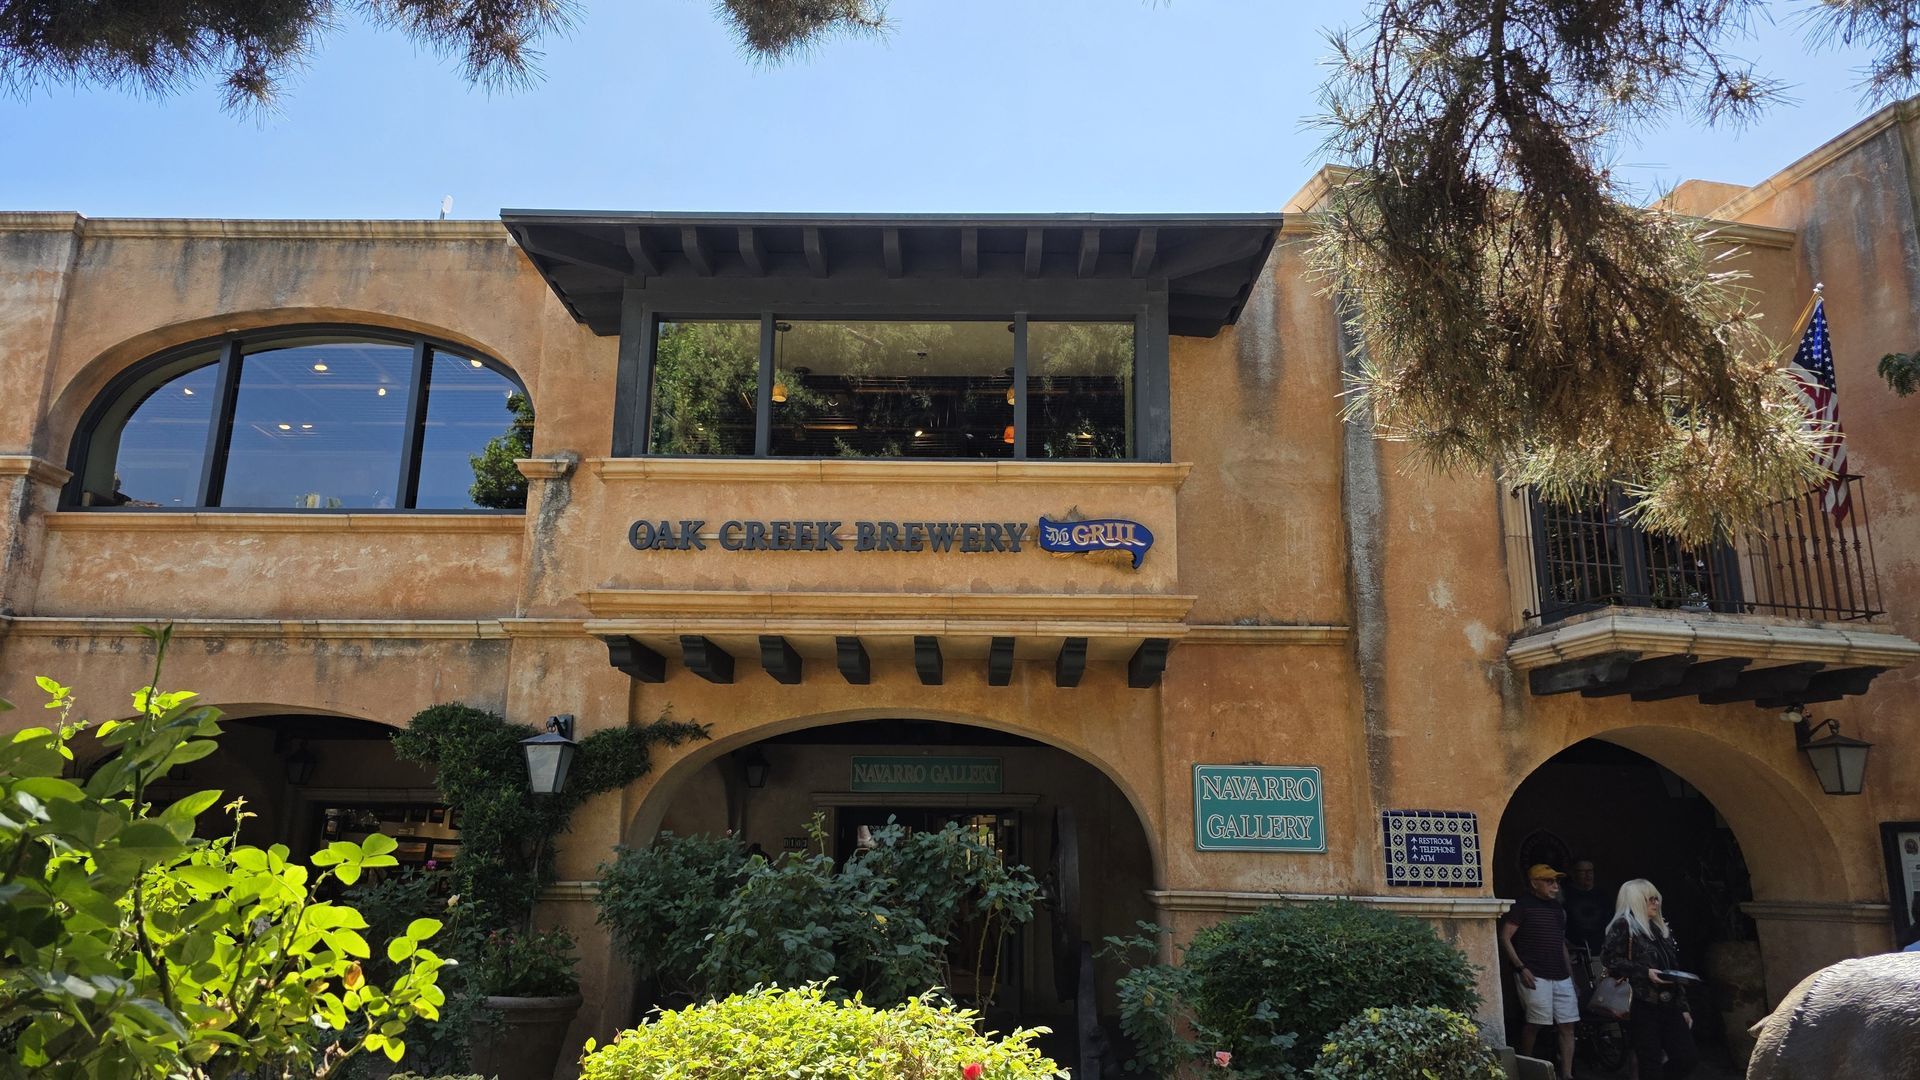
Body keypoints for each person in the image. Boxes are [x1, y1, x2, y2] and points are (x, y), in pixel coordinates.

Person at [1603, 879, 1698, 1079]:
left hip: (1669, 1002)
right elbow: (1610, 960)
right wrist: (1644, 972)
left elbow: (1674, 969)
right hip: (1641, 1003)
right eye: (1649, 899)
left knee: (1686, 1057)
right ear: (1636, 901)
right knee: (1649, 1061)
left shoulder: (1660, 929)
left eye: (1656, 898)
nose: (1655, 903)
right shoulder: (1623, 926)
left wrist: (1684, 1007)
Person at [1501, 863, 1578, 1079]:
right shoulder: (1522, 906)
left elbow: (1560, 943)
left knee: (1568, 1025)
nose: (1555, 886)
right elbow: (1505, 937)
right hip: (1534, 973)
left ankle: (1567, 1073)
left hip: (1560, 974)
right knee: (1535, 1023)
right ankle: (1526, 1065)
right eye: (1549, 881)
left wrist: (1571, 976)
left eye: (1556, 882)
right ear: (1534, 883)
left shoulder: (1558, 910)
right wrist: (1520, 967)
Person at [1563, 858, 1612, 959]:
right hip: (1575, 954)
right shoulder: (1564, 896)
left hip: (1601, 953)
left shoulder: (1602, 895)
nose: (1588, 875)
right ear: (1573, 873)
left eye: (1590, 871)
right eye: (1583, 872)